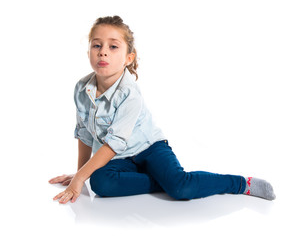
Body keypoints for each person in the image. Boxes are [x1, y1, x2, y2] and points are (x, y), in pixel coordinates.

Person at [49, 15, 276, 204]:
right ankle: (165, 180)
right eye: (96, 45)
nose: (103, 52)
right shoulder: (82, 88)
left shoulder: (129, 93)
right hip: (122, 157)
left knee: (181, 189)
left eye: (113, 46)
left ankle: (239, 183)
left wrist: (81, 176)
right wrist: (80, 174)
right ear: (88, 51)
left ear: (129, 58)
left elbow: (112, 144)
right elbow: (85, 134)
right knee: (100, 183)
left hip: (150, 148)